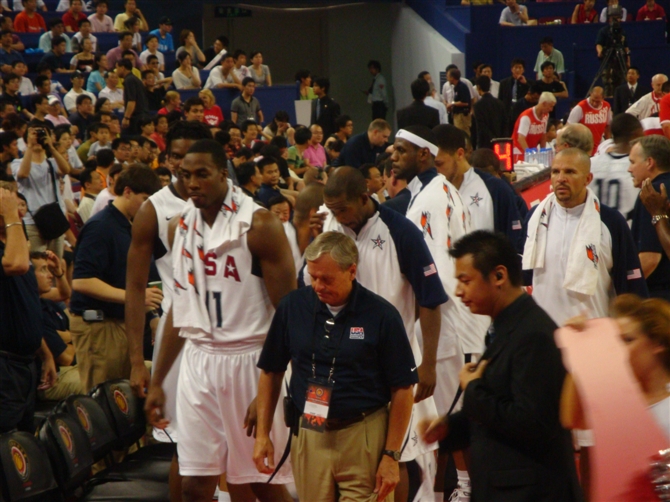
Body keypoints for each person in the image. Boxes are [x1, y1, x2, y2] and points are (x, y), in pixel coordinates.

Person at [144, 139, 296, 502]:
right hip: (199, 362)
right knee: (194, 485)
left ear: (223, 174)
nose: (192, 183)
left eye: (202, 174)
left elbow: (290, 315)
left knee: (262, 483)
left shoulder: (260, 225)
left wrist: (270, 385)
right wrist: (158, 381)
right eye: (185, 175)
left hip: (252, 361)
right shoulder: (179, 227)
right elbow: (181, 311)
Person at [254, 230, 417, 502]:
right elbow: (271, 371)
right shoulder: (293, 307)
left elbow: (403, 389)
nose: (318, 286)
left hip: (363, 434)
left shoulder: (382, 315)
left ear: (351, 271)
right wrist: (262, 434)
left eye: (326, 279)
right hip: (310, 431)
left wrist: (391, 455)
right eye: (313, 277)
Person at [421, 230, 582, 502]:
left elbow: (532, 423)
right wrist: (451, 428)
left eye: (465, 281)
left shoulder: (534, 334)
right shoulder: (504, 327)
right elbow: (499, 408)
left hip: (533, 493)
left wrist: (473, 389)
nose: (458, 291)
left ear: (498, 276)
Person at [390, 126, 487, 502]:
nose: (393, 156)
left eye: (401, 150)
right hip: (452, 320)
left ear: (424, 155)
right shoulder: (434, 190)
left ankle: (469, 486)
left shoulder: (430, 198)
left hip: (448, 322)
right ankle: (456, 485)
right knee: (448, 413)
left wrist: (424, 345)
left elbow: (433, 275)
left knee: (455, 412)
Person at [523, 147, 648, 328]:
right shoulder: (535, 218)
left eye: (570, 172)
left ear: (587, 179)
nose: (561, 178)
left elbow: (631, 289)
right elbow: (524, 276)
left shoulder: (611, 222)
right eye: (556, 172)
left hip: (593, 335)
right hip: (544, 336)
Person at [70, 166, 162, 393]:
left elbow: (128, 278)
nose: (148, 207)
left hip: (122, 322)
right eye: (145, 199)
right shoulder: (101, 226)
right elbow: (82, 281)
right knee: (105, 399)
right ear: (127, 191)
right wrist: (135, 297)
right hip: (98, 326)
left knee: (125, 399)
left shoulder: (129, 226)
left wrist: (151, 314)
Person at [0, 185, 57, 433]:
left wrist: (46, 355)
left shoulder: (16, 244)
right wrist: (11, 217)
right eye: (10, 206)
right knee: (7, 442)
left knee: (25, 440)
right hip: (4, 366)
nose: (19, 212)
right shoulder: (13, 255)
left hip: (26, 364)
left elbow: (27, 307)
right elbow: (17, 265)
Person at [434, 124, 526, 252]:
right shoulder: (433, 192)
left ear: (460, 154)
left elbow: (515, 245)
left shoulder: (496, 189)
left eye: (439, 164)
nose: (436, 171)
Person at [12, 123, 71, 257]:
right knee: (38, 263)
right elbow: (23, 174)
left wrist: (51, 147)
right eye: (34, 135)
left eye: (42, 135)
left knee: (56, 262)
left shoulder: (52, 162)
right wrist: (30, 146)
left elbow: (66, 170)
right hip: (32, 222)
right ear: (26, 139)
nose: (38, 138)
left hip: (54, 219)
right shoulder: (17, 163)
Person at [629, 135, 670, 299]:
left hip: (659, 297)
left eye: (632, 162)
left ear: (649, 162)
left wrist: (625, 289)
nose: (629, 169)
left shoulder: (651, 194)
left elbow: (649, 258)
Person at [588, 113, 643, 221]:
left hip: (594, 226)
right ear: (636, 134)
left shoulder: (590, 163)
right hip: (626, 227)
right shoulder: (639, 167)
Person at [568, 87, 612, 156]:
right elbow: (568, 128)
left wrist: (607, 143)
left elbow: (608, 126)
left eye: (597, 101)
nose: (594, 103)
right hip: (583, 148)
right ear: (590, 94)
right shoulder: (580, 107)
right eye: (593, 100)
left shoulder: (606, 106)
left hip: (599, 147)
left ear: (603, 97)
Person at [511, 92, 556, 156]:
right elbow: (520, 138)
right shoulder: (526, 116)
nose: (551, 109)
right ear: (544, 103)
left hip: (532, 151)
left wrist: (543, 151)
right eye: (551, 106)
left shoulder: (546, 115)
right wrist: (529, 154)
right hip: (518, 152)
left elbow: (543, 135)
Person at [117, 59, 149, 135]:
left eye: (117, 68)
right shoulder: (134, 79)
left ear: (123, 68)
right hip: (142, 115)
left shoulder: (129, 80)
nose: (116, 70)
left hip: (136, 118)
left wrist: (126, 118)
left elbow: (132, 101)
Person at [473, 75, 507, 149]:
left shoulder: (478, 105)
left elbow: (481, 126)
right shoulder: (500, 103)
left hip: (484, 143)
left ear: (478, 87)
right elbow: (505, 123)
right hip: (499, 142)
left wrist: (491, 138)